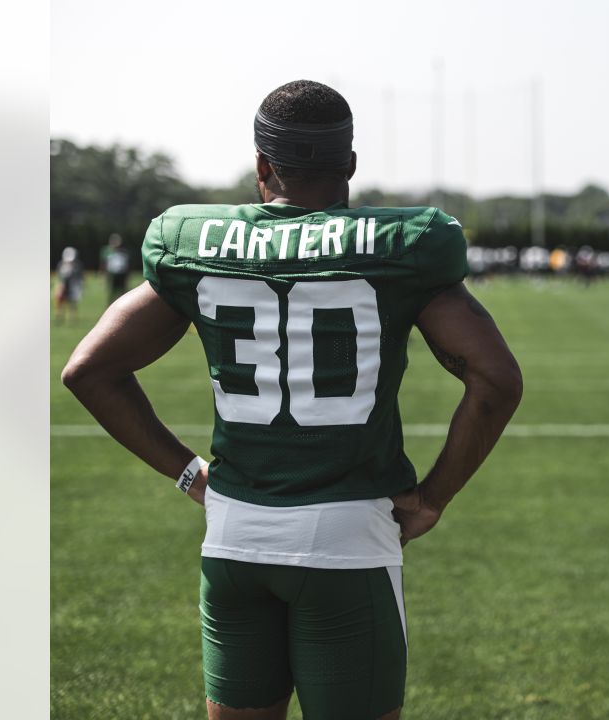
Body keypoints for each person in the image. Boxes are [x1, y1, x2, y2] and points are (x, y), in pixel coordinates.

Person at [62, 80, 523, 720]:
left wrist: (189, 472)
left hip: (234, 536)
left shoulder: (195, 240)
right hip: (347, 534)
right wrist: (434, 495)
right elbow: (496, 378)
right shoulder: (404, 244)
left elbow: (88, 369)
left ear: (262, 165)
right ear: (351, 165)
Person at [54, 245, 84, 323]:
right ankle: (59, 317)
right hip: (63, 285)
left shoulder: (77, 265)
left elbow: (79, 277)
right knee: (60, 301)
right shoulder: (61, 264)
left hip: (73, 286)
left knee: (72, 302)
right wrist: (60, 286)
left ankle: (73, 317)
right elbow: (59, 276)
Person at [101, 233, 131, 305]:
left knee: (123, 292)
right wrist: (103, 276)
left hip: (122, 275)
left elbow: (127, 265)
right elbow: (104, 264)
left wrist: (128, 275)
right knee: (112, 293)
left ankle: (123, 305)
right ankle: (110, 306)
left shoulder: (124, 252)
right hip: (112, 275)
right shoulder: (107, 251)